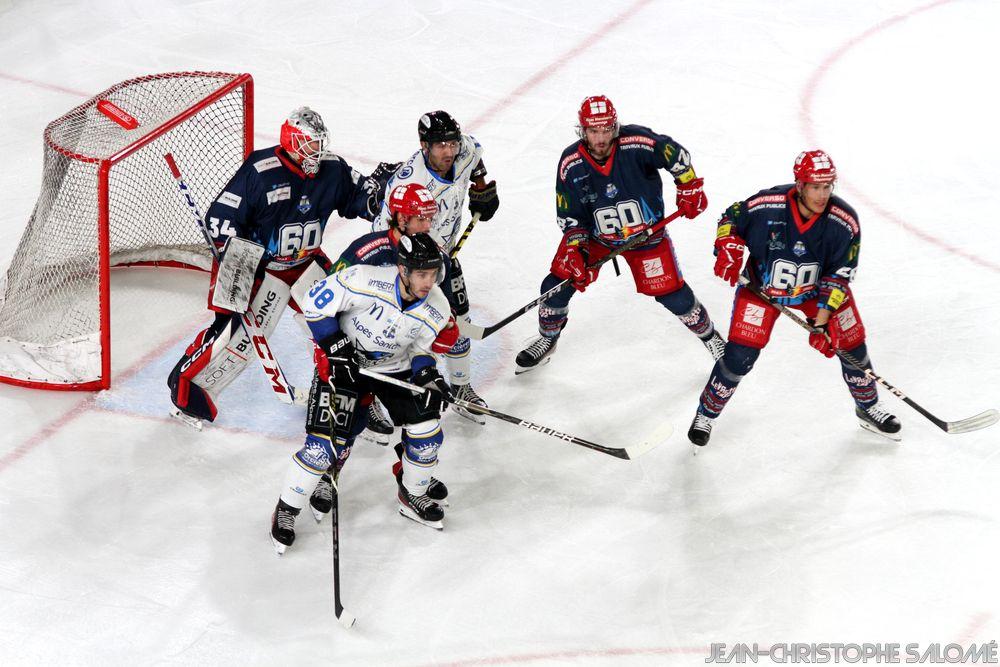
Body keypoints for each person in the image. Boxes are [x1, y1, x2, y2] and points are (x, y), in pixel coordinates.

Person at [167, 107, 393, 427]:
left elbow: (360, 198)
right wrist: (232, 253)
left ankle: (356, 400)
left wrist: (379, 190)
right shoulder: (261, 170)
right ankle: (187, 393)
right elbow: (220, 218)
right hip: (259, 267)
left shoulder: (331, 169)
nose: (317, 151)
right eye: (311, 144)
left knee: (347, 326)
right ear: (292, 140)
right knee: (235, 338)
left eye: (319, 144)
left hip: (306, 261)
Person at [686, 150, 901, 446]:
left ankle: (868, 408)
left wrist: (822, 323)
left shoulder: (844, 222)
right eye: (815, 186)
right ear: (799, 185)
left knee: (852, 345)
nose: (822, 194)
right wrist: (727, 244)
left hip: (817, 292)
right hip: (761, 290)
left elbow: (839, 276)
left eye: (828, 186)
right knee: (739, 358)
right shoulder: (766, 206)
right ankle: (706, 414)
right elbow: (731, 217)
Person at [270, 232, 459, 553]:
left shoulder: (438, 306)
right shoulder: (363, 279)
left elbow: (421, 349)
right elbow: (315, 303)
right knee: (325, 446)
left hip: (393, 370)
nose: (429, 282)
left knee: (427, 430)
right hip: (345, 365)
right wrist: (334, 344)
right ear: (403, 270)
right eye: (422, 274)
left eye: (433, 273)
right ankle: (287, 509)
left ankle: (412, 493)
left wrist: (427, 377)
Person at [515, 95, 725, 373]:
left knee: (674, 296)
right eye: (593, 130)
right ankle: (547, 339)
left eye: (605, 129)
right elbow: (570, 215)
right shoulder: (571, 163)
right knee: (554, 286)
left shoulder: (637, 142)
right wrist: (577, 249)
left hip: (648, 237)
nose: (600, 138)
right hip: (597, 239)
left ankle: (712, 339)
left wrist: (689, 186)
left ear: (614, 127)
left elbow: (675, 155)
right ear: (583, 130)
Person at [371, 110, 500, 424]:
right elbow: (383, 231)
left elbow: (474, 157)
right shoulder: (411, 181)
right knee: (390, 332)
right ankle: (373, 393)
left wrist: (481, 188)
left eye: (451, 143)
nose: (448, 151)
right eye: (440, 145)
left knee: (459, 320)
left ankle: (461, 388)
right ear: (423, 145)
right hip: (407, 263)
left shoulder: (464, 149)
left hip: (443, 254)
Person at [327, 182, 443, 446]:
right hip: (353, 353)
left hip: (398, 355)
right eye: (422, 219)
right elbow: (329, 298)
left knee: (421, 419)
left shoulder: (431, 251)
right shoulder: (366, 251)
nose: (428, 226)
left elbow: (437, 306)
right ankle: (327, 476)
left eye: (430, 219)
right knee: (343, 424)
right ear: (402, 218)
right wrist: (329, 348)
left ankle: (412, 471)